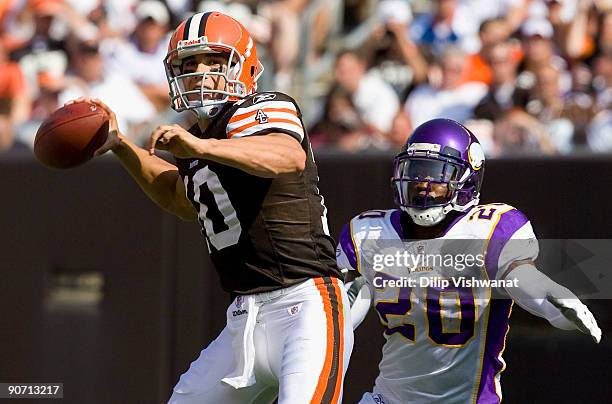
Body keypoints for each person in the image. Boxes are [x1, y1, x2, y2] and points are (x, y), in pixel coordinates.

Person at [67, 11, 353, 404]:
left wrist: (200, 147)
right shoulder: (200, 138)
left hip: (304, 304)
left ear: (245, 66)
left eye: (213, 61)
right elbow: (179, 198)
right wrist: (120, 145)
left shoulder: (263, 106)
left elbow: (288, 156)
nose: (199, 72)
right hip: (242, 319)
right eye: (189, 64)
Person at [337, 119, 602, 404]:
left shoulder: (490, 228)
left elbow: (519, 277)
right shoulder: (369, 232)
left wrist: (551, 302)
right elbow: (343, 306)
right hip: (387, 399)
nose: (423, 184)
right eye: (416, 171)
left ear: (466, 180)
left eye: (437, 174)